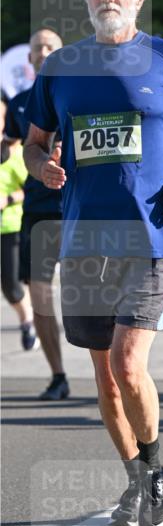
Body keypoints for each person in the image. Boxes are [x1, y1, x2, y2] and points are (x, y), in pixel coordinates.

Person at [23, 0, 163, 526]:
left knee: (128, 362)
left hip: (152, 234)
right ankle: (136, 479)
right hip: (86, 239)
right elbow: (35, 142)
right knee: (106, 382)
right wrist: (41, 167)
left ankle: (158, 469)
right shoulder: (62, 67)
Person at [5, 28, 70, 398]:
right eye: (37, 48)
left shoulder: (81, 97)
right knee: (41, 295)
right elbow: (12, 146)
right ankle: (58, 375)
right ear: (29, 58)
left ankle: (111, 371)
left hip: (80, 210)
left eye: (50, 46)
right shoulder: (19, 105)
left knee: (94, 298)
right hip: (38, 213)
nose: (43, 52)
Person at [0, 99, 39, 348]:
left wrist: (8, 198)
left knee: (12, 286)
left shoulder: (13, 153)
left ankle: (28, 322)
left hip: (9, 227)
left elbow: (32, 188)